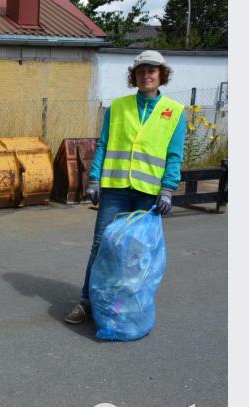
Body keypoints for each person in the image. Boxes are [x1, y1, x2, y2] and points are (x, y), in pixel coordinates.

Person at [64, 50, 187, 324]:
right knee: (101, 245)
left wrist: (168, 189)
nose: (147, 75)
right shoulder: (118, 107)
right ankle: (86, 301)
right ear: (134, 75)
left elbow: (175, 155)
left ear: (161, 75)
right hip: (116, 189)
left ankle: (127, 304)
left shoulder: (175, 112)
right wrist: (94, 179)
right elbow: (104, 144)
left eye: (152, 71)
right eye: (141, 71)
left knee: (136, 252)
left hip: (148, 193)